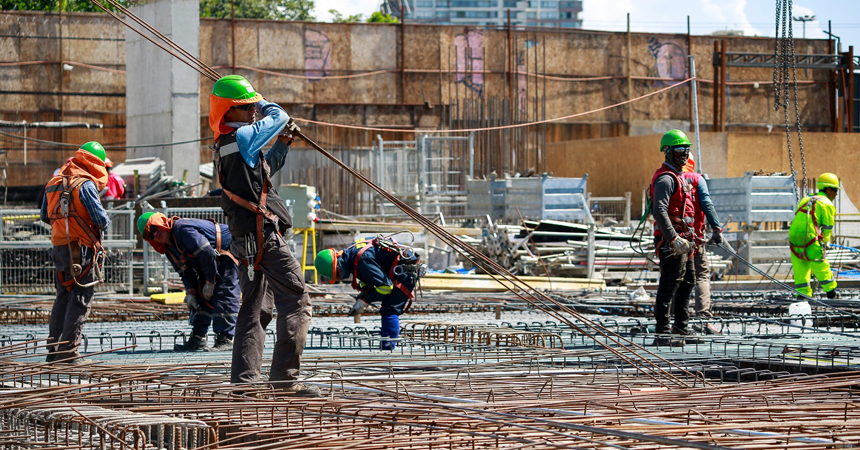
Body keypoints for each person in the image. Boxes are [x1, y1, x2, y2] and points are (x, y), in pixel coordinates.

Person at [209, 74, 318, 397]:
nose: (252, 112)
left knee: (255, 308)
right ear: (228, 112)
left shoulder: (229, 143)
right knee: (297, 300)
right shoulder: (241, 136)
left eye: (253, 107)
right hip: (264, 237)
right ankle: (285, 380)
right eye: (245, 107)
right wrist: (264, 102)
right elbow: (279, 116)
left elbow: (264, 172)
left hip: (248, 238)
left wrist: (282, 141)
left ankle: (243, 382)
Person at [40, 142, 110, 364]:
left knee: (62, 297)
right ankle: (69, 352)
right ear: (96, 164)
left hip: (60, 248)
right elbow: (101, 221)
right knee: (80, 299)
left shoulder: (53, 182)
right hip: (81, 251)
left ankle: (53, 351)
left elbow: (45, 216)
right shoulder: (85, 185)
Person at [138, 212, 240, 352]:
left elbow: (208, 253)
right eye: (150, 235)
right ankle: (198, 339)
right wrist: (191, 293)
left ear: (161, 222)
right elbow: (186, 273)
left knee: (223, 292)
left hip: (227, 252)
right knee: (200, 295)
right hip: (211, 261)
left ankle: (225, 339)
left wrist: (210, 282)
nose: (155, 235)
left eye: (154, 229)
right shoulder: (170, 249)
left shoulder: (182, 229)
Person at [315, 236, 424, 350]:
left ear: (338, 266)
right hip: (395, 269)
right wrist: (364, 295)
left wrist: (364, 301)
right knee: (386, 305)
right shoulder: (351, 253)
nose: (340, 278)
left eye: (338, 274)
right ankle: (387, 346)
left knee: (389, 309)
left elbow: (386, 287)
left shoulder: (362, 259)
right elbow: (368, 276)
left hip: (404, 273)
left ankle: (387, 349)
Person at [649, 130, 696, 346]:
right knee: (669, 284)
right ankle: (662, 332)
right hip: (672, 241)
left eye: (686, 149)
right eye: (679, 150)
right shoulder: (666, 179)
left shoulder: (678, 176)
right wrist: (673, 238)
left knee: (687, 281)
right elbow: (659, 210)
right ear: (668, 152)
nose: (684, 154)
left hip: (685, 240)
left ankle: (680, 329)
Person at [681, 157, 723, 334]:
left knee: (674, 278)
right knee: (702, 275)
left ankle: (672, 321)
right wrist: (716, 228)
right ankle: (703, 320)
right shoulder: (697, 179)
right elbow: (706, 203)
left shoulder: (666, 177)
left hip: (671, 239)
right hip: (695, 238)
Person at [789, 173, 839, 300]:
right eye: (835, 191)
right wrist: (825, 243)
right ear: (828, 190)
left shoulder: (807, 198)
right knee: (819, 263)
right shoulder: (827, 203)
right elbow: (827, 227)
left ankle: (802, 293)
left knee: (800, 263)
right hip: (809, 236)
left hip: (793, 235)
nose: (836, 195)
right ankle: (831, 291)